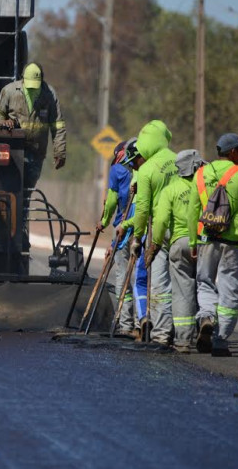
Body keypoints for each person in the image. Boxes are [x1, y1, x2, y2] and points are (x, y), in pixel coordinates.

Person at [187, 133, 238, 357]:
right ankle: (221, 341)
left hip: (206, 240)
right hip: (232, 244)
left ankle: (206, 317)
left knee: (204, 283)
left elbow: (192, 210)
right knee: (229, 291)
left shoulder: (200, 174)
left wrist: (193, 240)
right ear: (232, 152)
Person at [0, 62, 66, 250]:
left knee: (26, 195)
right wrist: (3, 122)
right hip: (13, 151)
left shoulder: (49, 95)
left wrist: (60, 151)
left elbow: (58, 125)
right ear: (22, 80)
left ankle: (19, 233)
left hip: (36, 153)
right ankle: (4, 231)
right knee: (9, 191)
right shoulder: (10, 91)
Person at [116, 120, 177, 345]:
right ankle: (185, 332)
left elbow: (142, 210)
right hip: (184, 229)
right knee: (184, 283)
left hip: (158, 231)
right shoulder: (179, 161)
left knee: (159, 284)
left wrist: (137, 238)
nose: (134, 166)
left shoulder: (147, 171)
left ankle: (162, 334)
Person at [151, 149, 206, 353]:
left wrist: (155, 245)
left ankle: (183, 340)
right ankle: (208, 324)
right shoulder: (205, 187)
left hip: (180, 243)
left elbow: (161, 221)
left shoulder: (170, 191)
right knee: (205, 286)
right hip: (207, 242)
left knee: (183, 291)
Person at [98, 138, 137, 337]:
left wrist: (103, 222)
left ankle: (125, 322)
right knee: (142, 276)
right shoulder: (142, 168)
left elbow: (112, 200)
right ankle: (143, 321)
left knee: (123, 274)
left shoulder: (117, 170)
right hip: (144, 226)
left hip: (124, 226)